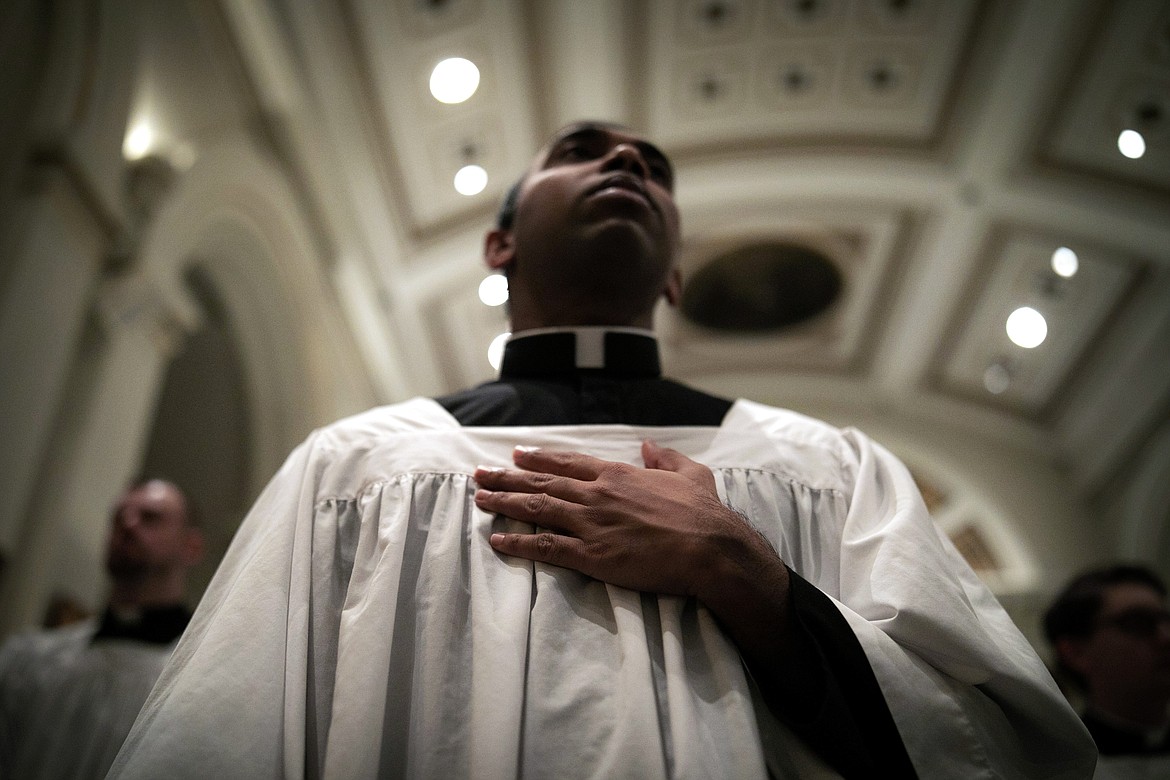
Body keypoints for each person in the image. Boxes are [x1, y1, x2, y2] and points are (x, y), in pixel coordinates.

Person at [110, 121, 1095, 778]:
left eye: (654, 168)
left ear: (673, 277)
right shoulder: (355, 468)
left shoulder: (828, 468)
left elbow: (1004, 746)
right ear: (497, 247)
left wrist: (753, 579)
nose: (628, 163)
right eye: (585, 151)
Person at [0, 478, 204, 779]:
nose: (129, 524)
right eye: (119, 517)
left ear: (191, 546)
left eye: (150, 517)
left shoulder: (198, 682)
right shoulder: (31, 662)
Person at [1045, 564, 1170, 778]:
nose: (1166, 638)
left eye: (1166, 620)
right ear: (1075, 653)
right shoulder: (1060, 769)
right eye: (1138, 623)